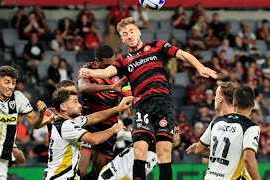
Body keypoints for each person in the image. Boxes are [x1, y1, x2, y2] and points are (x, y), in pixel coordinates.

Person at [80, 17, 217, 180]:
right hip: (142, 107)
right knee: (139, 151)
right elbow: (107, 72)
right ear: (122, 39)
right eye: (125, 34)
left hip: (163, 104)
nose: (129, 35)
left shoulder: (156, 46)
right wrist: (89, 72)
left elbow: (182, 54)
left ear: (138, 32)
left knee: (164, 154)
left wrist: (200, 67)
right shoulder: (123, 60)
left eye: (131, 31)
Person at [44, 89, 134, 180]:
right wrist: (113, 130)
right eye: (75, 102)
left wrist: (118, 109)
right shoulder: (66, 125)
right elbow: (94, 139)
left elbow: (94, 117)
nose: (79, 105)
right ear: (63, 106)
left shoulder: (73, 121)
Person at [78, 44, 128, 180]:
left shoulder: (120, 70)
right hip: (89, 123)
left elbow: (128, 92)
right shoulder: (87, 69)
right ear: (97, 60)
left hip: (110, 126)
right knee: (80, 171)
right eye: (106, 66)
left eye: (112, 64)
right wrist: (110, 87)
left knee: (97, 172)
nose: (110, 69)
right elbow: (83, 87)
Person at [195, 86, 261, 180]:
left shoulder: (216, 121)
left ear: (234, 103)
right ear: (253, 104)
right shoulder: (251, 127)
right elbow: (249, 159)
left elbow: (199, 149)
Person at [98, 126, 180, 180]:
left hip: (108, 171)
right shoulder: (154, 152)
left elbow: (122, 135)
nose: (176, 136)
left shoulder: (144, 137)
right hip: (114, 177)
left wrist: (108, 139)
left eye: (178, 132)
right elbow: (132, 176)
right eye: (174, 132)